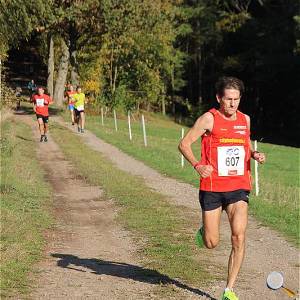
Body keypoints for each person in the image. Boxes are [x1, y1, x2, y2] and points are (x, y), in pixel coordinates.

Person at [178, 77, 265, 300]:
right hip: (212, 187)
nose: (233, 104)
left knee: (239, 236)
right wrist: (197, 165)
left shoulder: (245, 120)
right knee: (211, 242)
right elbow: (184, 143)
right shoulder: (209, 119)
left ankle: (229, 290)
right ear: (219, 98)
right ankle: (204, 232)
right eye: (228, 99)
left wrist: (254, 155)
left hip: (238, 186)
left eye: (236, 99)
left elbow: (244, 144)